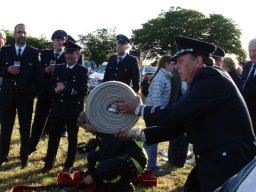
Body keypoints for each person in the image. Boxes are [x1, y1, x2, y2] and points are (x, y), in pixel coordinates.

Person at [117, 35, 256, 192]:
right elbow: (179, 125)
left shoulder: (210, 77)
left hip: (228, 162)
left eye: (180, 61)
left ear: (197, 61)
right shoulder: (203, 79)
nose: (176, 66)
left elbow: (176, 113)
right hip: (217, 159)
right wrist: (136, 135)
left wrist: (139, 108)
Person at [39, 39, 88, 173]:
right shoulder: (59, 68)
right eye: (67, 53)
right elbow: (50, 85)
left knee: (72, 139)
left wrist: (65, 88)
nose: (69, 56)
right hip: (57, 109)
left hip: (73, 110)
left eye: (72, 53)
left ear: (78, 55)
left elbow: (82, 90)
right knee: (53, 138)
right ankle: (48, 164)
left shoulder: (82, 70)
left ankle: (68, 165)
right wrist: (54, 90)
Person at [0, 23, 41, 168]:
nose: (21, 35)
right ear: (14, 34)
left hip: (25, 98)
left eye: (24, 32)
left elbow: (38, 76)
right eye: (19, 32)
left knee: (25, 129)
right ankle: (3, 156)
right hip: (7, 96)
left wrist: (32, 93)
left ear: (27, 35)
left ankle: (24, 158)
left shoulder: (34, 52)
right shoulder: (4, 51)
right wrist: (6, 69)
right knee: (5, 127)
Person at [77, 111, 147, 192]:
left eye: (85, 127)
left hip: (135, 160)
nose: (85, 131)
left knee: (103, 167)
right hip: (122, 156)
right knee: (91, 156)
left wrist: (93, 176)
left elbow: (109, 154)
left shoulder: (109, 130)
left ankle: (125, 186)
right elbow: (104, 152)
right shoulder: (101, 131)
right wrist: (90, 173)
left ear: (91, 122)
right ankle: (102, 181)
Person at [29, 30, 69, 155]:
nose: (60, 42)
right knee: (38, 122)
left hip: (59, 95)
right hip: (45, 93)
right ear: (53, 41)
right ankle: (31, 147)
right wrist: (45, 70)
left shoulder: (68, 55)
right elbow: (36, 71)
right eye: (57, 39)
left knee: (56, 125)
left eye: (63, 40)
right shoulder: (45, 54)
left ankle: (50, 154)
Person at [241, 38, 256, 134]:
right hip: (244, 114)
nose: (252, 54)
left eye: (255, 51)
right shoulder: (248, 65)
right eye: (250, 51)